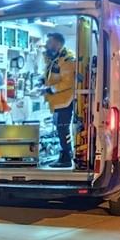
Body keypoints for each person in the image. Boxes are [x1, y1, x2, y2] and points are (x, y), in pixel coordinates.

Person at [38, 32, 77, 167]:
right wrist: (41, 81)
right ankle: (64, 154)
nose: (47, 45)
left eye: (49, 42)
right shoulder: (54, 58)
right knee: (60, 128)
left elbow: (68, 83)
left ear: (58, 44)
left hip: (65, 100)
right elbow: (48, 72)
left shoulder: (67, 60)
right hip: (57, 101)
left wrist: (49, 89)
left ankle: (66, 157)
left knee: (63, 129)